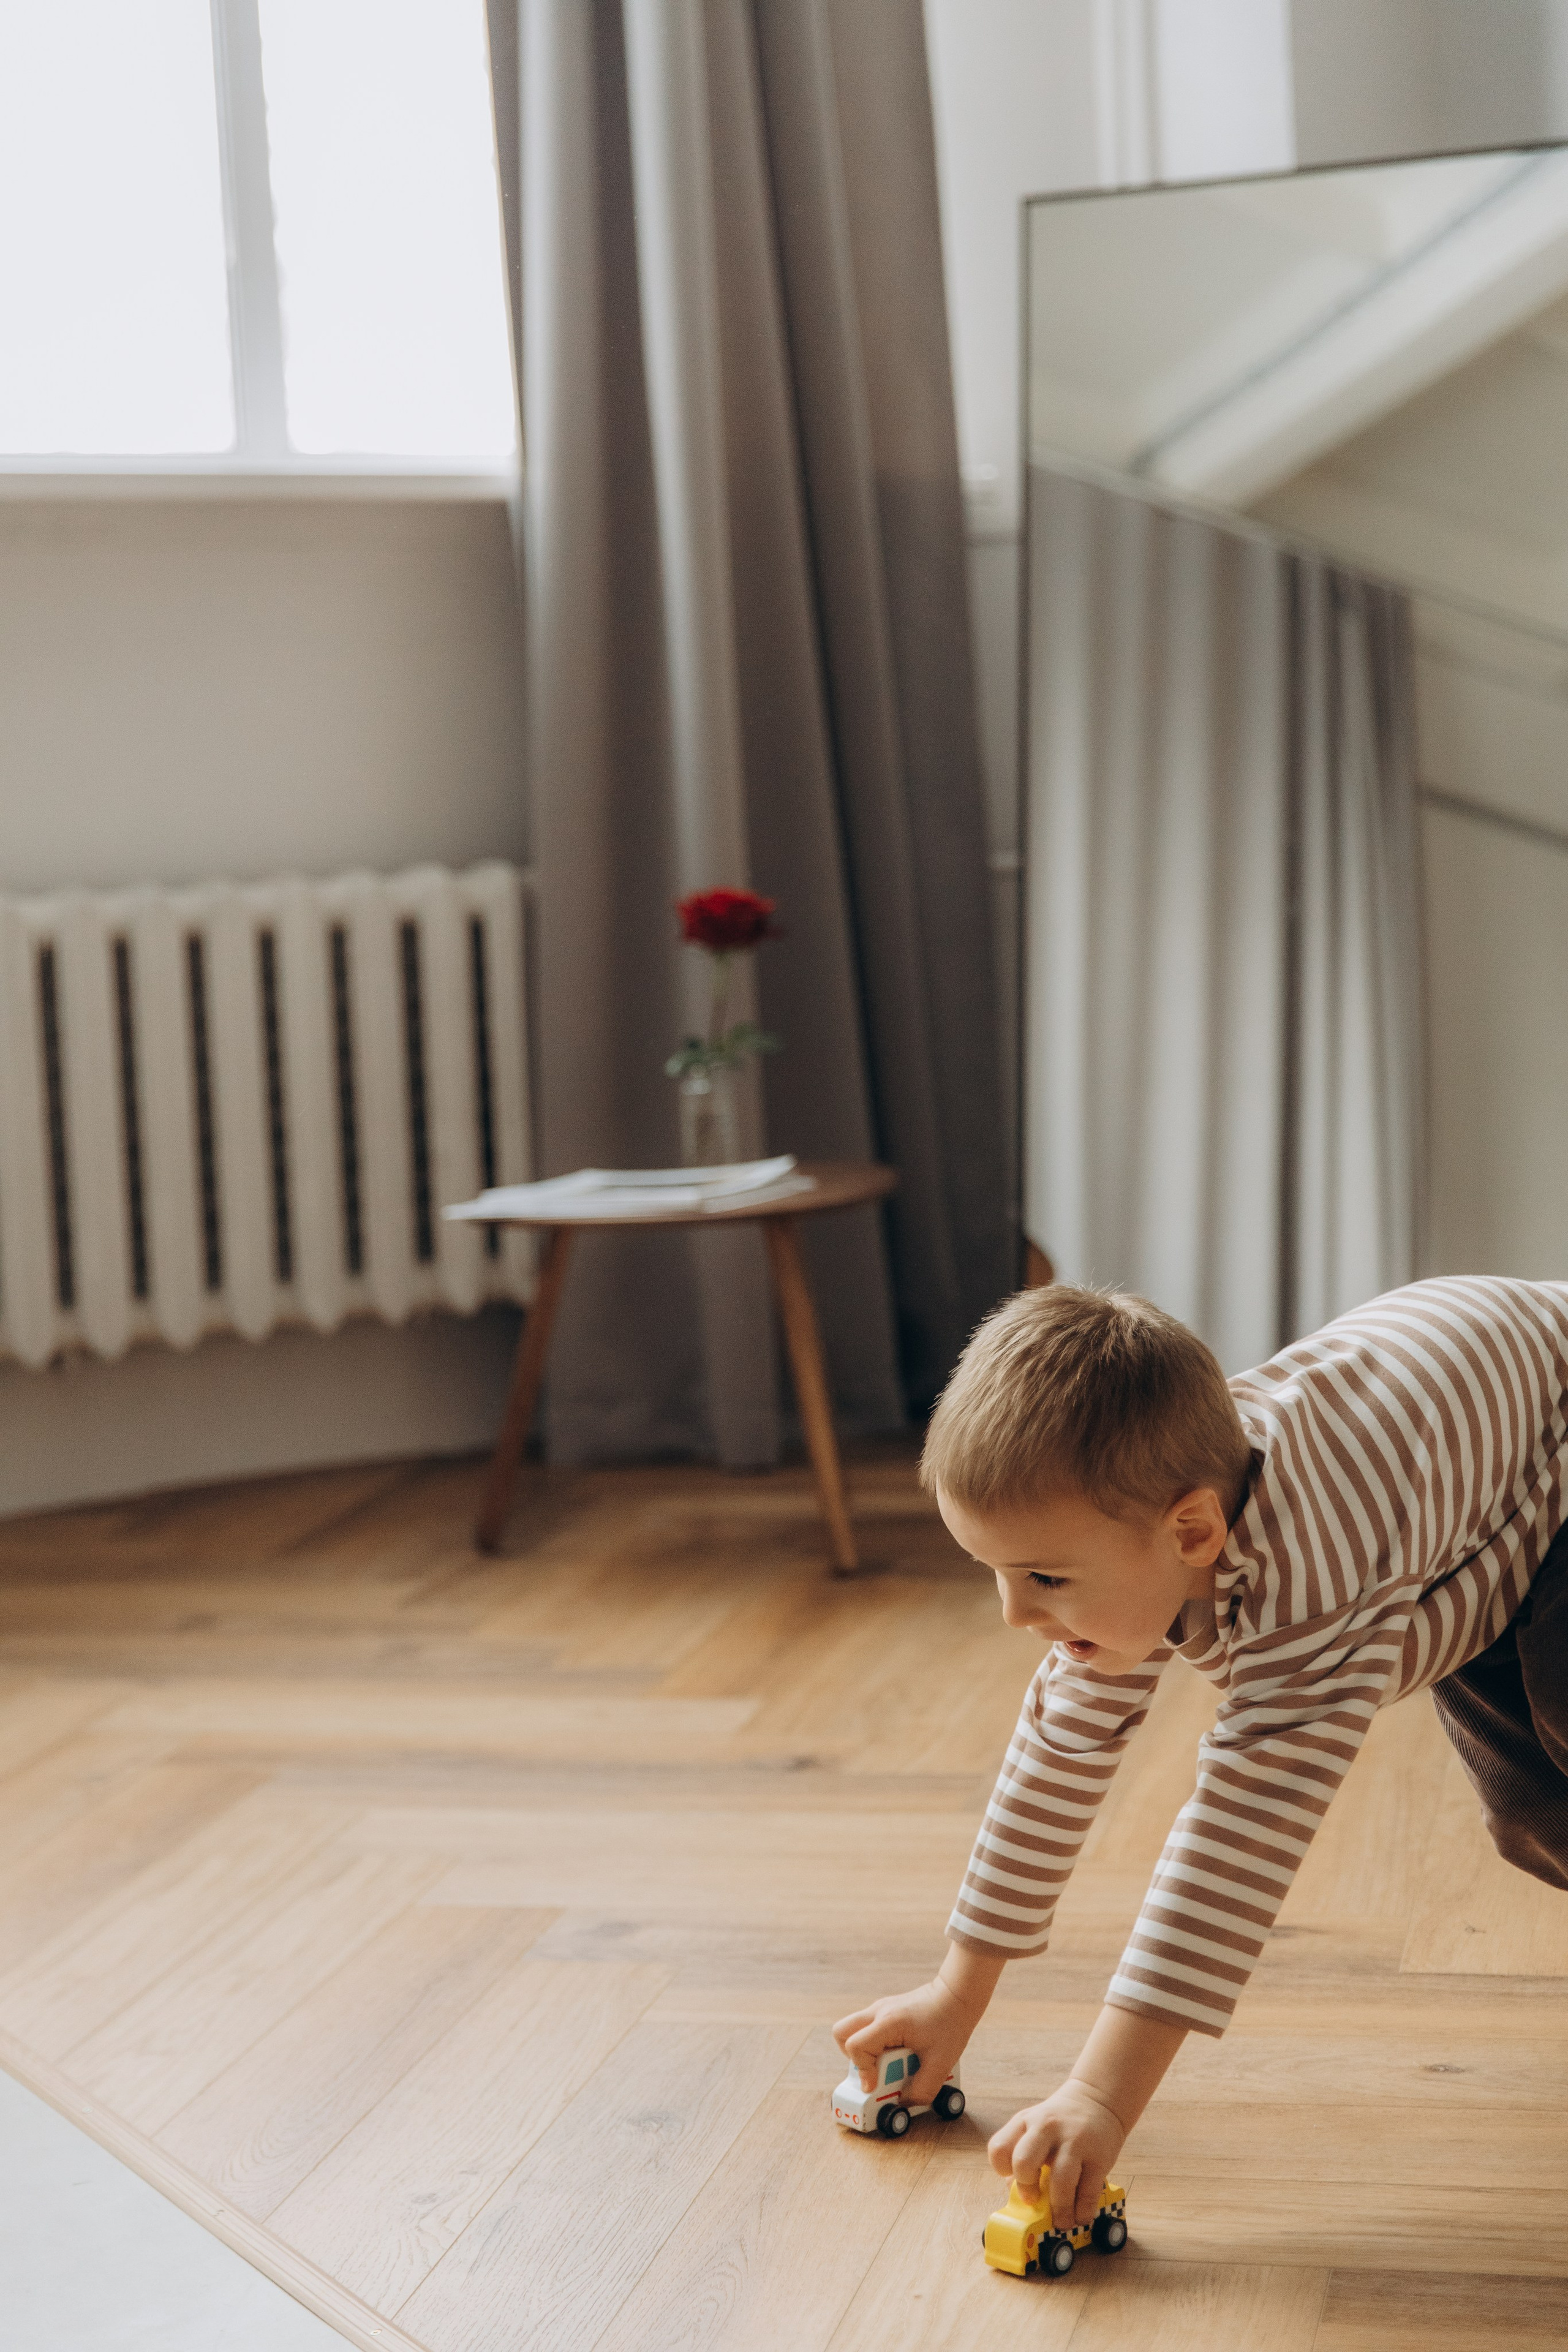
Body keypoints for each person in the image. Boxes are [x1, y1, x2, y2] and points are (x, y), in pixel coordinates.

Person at [833, 1278, 1568, 2229]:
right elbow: (1059, 1750)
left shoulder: (1312, 1581)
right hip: (1493, 1496)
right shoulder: (1150, 1529)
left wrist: (1099, 2098)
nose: (1016, 1615)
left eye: (1044, 1578)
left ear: (1192, 1532)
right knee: (1532, 1812)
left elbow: (1237, 1843)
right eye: (998, 1576)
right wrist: (953, 1995)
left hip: (1545, 1443)